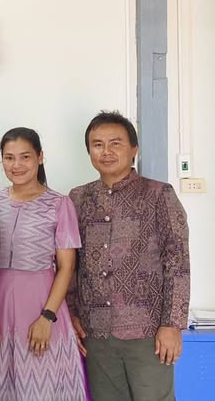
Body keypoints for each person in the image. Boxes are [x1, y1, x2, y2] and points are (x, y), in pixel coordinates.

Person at [68, 111, 190, 401]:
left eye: (116, 143)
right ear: (89, 151)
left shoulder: (159, 194)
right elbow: (70, 263)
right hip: (95, 331)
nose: (106, 152)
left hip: (149, 331)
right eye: (97, 144)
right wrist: (71, 313)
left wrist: (172, 324)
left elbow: (178, 262)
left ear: (134, 149)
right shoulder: (78, 198)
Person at [0, 128, 87, 400]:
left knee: (41, 385)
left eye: (25, 157)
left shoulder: (59, 204)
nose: (17, 165)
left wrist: (47, 318)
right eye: (9, 158)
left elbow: (66, 267)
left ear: (40, 157)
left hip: (41, 307)